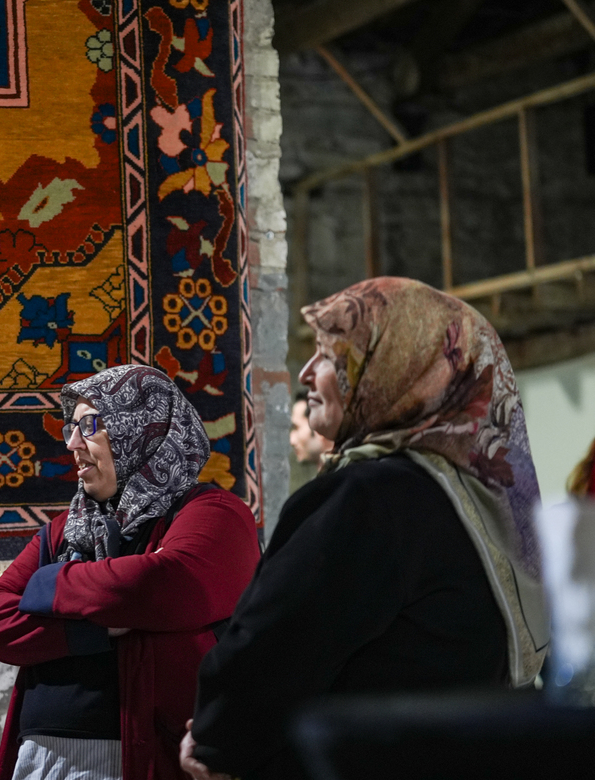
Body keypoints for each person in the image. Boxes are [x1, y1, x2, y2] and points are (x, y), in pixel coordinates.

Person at [181, 277, 549, 780]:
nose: (307, 373)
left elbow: (269, 652)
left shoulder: (371, 498)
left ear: (395, 368)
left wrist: (215, 742)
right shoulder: (480, 502)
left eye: (330, 356)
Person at [0, 364, 261, 780]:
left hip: (139, 758)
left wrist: (48, 581)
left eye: (90, 426)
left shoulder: (215, 514)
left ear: (141, 428)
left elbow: (156, 584)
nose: (72, 443)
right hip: (36, 760)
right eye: (71, 428)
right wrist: (97, 630)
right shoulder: (66, 529)